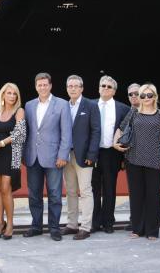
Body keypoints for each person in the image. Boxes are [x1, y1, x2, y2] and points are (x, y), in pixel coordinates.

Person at [23, 72, 72, 241]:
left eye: (45, 84)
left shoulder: (62, 104)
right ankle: (36, 226)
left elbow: (66, 133)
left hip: (54, 158)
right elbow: (27, 132)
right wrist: (24, 154)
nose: (42, 87)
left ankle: (54, 228)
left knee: (55, 194)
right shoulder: (29, 105)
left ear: (50, 86)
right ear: (36, 87)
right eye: (40, 85)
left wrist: (63, 155)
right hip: (33, 157)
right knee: (34, 194)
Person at [115, 83, 160, 240]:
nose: (146, 98)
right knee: (136, 196)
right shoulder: (134, 113)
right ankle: (137, 228)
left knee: (154, 196)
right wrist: (115, 143)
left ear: (155, 97)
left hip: (155, 160)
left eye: (149, 95)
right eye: (143, 95)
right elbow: (121, 128)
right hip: (133, 159)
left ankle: (152, 230)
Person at [0, 82, 27, 240]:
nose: (12, 96)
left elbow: (20, 133)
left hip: (10, 154)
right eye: (9, 93)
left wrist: (1, 143)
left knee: (6, 188)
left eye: (14, 93)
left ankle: (10, 224)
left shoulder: (19, 111)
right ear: (3, 95)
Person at [61, 75, 101, 240]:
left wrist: (92, 154)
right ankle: (72, 224)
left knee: (85, 191)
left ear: (82, 88)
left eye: (76, 86)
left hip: (84, 156)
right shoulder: (64, 106)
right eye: (70, 86)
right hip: (66, 155)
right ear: (67, 88)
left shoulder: (90, 105)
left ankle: (85, 227)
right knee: (70, 191)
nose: (73, 89)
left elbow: (96, 131)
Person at [92, 75, 129, 233]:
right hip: (93, 153)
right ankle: (94, 222)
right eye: (103, 85)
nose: (105, 88)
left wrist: (124, 157)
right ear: (99, 88)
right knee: (93, 189)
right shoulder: (90, 105)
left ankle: (108, 222)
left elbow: (127, 133)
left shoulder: (123, 108)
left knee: (109, 188)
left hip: (112, 153)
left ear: (114, 91)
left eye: (109, 87)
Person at [123, 82, 140, 231]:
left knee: (147, 191)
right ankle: (135, 220)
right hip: (130, 157)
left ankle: (147, 221)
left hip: (147, 158)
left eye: (137, 93)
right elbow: (122, 129)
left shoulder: (151, 111)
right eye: (131, 94)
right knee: (134, 191)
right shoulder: (128, 111)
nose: (134, 96)